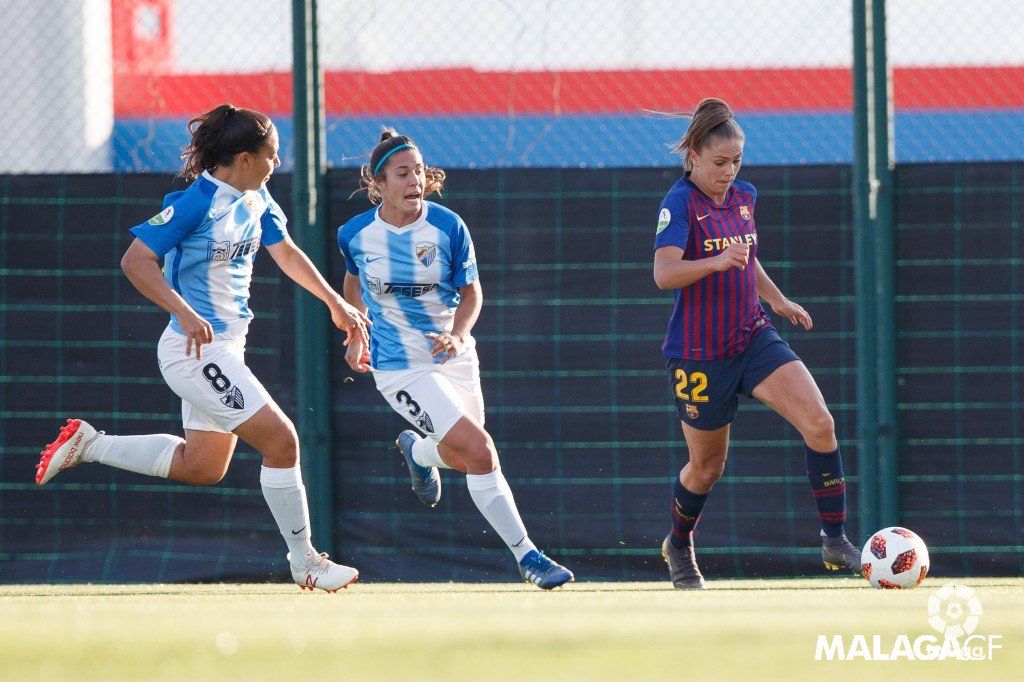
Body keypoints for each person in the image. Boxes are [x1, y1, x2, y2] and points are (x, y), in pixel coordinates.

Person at [34, 103, 369, 593]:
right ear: (244, 158)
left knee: (204, 466)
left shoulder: (257, 199)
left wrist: (336, 303)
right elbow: (136, 261)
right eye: (271, 156)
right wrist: (185, 312)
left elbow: (287, 252)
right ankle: (307, 563)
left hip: (227, 349)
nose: (277, 164)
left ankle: (90, 444)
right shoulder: (195, 202)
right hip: (193, 352)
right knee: (282, 441)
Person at [338, 130, 573, 589]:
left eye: (420, 172)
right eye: (403, 173)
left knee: (468, 458)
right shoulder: (355, 234)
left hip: (453, 355)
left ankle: (419, 451)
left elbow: (472, 293)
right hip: (399, 366)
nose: (414, 181)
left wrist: (457, 334)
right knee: (482, 452)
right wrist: (355, 332)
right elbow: (353, 284)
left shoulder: (447, 227)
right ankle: (529, 558)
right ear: (378, 183)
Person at [652, 98, 862, 589]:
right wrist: (715, 261)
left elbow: (747, 259)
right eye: (720, 163)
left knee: (821, 424)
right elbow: (664, 274)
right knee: (707, 468)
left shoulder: (744, 196)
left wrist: (779, 300)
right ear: (693, 159)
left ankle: (834, 540)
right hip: (700, 354)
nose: (729, 172)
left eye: (736, 161)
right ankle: (678, 544)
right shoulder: (678, 203)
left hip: (752, 335)